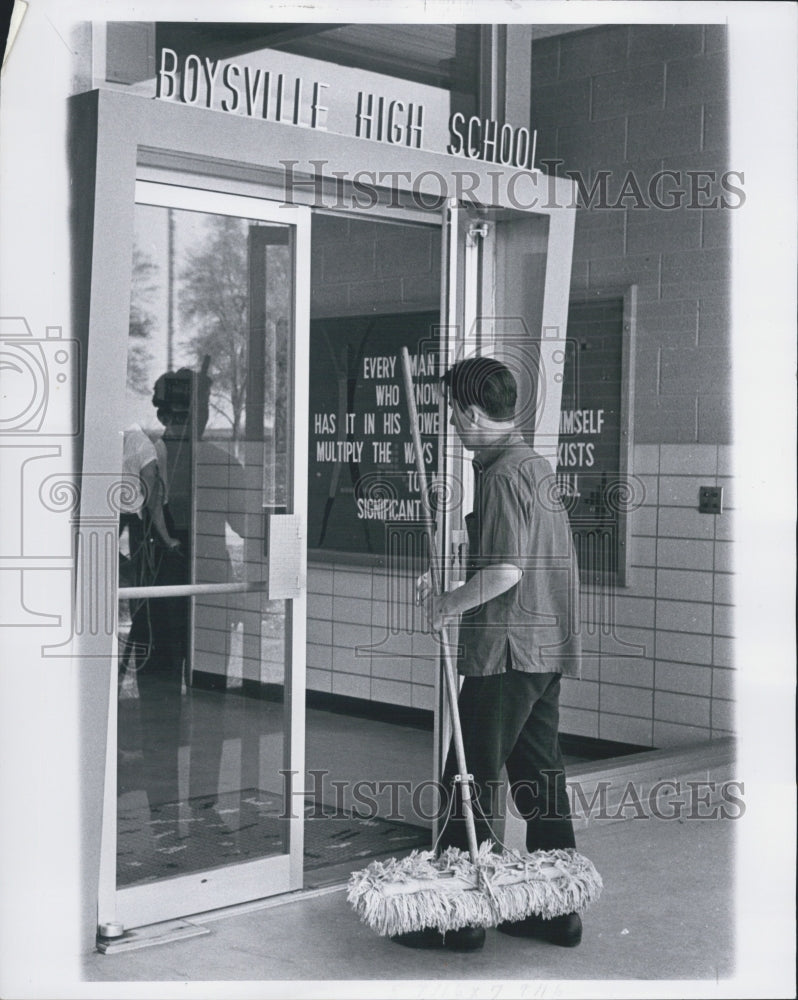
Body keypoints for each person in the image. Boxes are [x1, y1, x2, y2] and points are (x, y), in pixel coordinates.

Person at [395, 356, 582, 953]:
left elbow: (505, 570)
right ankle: (558, 911)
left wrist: (450, 603)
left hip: (505, 652)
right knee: (538, 779)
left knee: (464, 780)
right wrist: (450, 567)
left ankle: (455, 919)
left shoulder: (502, 474)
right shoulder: (532, 466)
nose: (452, 426)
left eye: (454, 415)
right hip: (543, 647)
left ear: (475, 413)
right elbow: (505, 550)